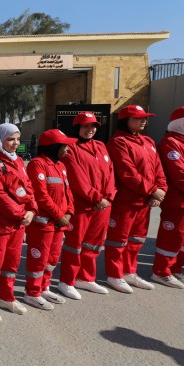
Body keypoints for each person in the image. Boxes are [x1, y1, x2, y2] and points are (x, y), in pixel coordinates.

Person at [105, 105, 167, 293]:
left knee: (137, 239)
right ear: (125, 120)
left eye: (145, 118)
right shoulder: (118, 142)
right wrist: (153, 190)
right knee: (118, 240)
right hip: (126, 201)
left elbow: (158, 169)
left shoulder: (147, 141)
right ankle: (114, 275)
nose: (144, 121)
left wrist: (160, 190)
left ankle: (129, 271)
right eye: (138, 118)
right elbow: (128, 173)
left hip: (145, 201)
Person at [0, 123, 37, 323]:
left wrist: (31, 210)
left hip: (17, 224)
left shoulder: (19, 161)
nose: (15, 143)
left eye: (18, 139)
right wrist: (21, 213)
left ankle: (6, 297)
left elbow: (28, 187)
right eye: (10, 139)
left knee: (11, 263)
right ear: (0, 139)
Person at [58, 112, 116, 299]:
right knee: (74, 245)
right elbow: (77, 178)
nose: (90, 130)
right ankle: (67, 281)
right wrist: (96, 198)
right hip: (83, 205)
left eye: (93, 126)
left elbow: (110, 173)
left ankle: (86, 278)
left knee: (94, 243)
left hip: (103, 205)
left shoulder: (100, 146)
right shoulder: (70, 148)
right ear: (77, 128)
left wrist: (108, 196)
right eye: (85, 126)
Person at [24, 129, 76, 311]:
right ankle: (32, 292)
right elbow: (41, 196)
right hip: (43, 224)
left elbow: (68, 192)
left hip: (59, 223)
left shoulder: (60, 165)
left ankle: (43, 287)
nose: (68, 149)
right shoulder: (37, 165)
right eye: (64, 145)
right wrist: (60, 216)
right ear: (53, 147)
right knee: (39, 259)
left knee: (52, 258)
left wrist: (69, 212)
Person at [152, 105, 184, 288]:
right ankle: (161, 272)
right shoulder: (170, 143)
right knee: (173, 237)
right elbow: (180, 176)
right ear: (180, 122)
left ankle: (176, 269)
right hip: (179, 202)